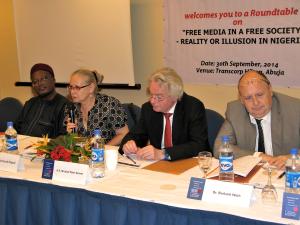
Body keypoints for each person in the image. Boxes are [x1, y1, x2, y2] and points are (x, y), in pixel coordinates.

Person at [214, 70, 300, 169]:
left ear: (270, 90)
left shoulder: (296, 109)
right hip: (251, 176)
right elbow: (219, 147)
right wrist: (258, 156)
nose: (255, 103)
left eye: (259, 95)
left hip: (287, 175)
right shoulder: (234, 111)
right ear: (241, 99)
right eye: (248, 98)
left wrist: (295, 158)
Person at [119, 67, 210, 161]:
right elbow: (135, 135)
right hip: (158, 165)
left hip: (188, 163)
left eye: (159, 97)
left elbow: (199, 145)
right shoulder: (148, 109)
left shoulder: (193, 107)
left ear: (174, 96)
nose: (152, 101)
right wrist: (129, 144)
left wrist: (164, 153)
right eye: (151, 95)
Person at [66, 69, 129, 145]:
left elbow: (123, 134)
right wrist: (71, 134)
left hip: (108, 154)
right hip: (82, 155)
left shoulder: (108, 104)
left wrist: (102, 150)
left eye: (77, 87)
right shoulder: (71, 107)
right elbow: (71, 143)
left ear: (91, 88)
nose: (72, 91)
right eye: (71, 87)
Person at [15, 63, 69, 138]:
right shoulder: (30, 103)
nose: (39, 84)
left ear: (53, 80)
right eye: (35, 82)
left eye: (44, 79)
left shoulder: (64, 105)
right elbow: (16, 128)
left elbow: (63, 137)